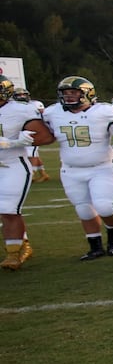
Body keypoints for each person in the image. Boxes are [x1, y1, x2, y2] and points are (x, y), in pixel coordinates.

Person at [39, 77, 113, 260]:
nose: (69, 96)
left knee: (104, 207)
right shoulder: (52, 112)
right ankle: (94, 245)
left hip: (102, 167)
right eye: (65, 93)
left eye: (73, 92)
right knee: (83, 209)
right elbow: (42, 134)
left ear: (88, 93)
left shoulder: (105, 111)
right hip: (71, 169)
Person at [0, 76, 48, 269]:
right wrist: (10, 141)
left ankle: (13, 254)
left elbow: (45, 136)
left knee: (8, 209)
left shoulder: (20, 110)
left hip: (12, 164)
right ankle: (23, 244)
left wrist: (18, 142)